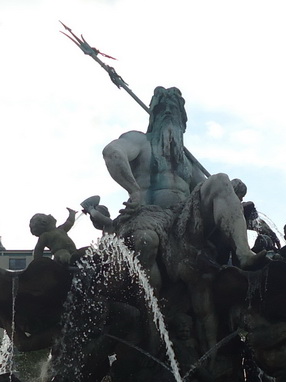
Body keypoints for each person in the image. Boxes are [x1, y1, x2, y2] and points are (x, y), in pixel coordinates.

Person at [101, 86, 261, 268]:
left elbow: (211, 194)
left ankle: (244, 253)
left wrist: (232, 191)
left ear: (183, 122)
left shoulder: (187, 162)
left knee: (220, 180)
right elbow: (112, 153)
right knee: (145, 240)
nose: (168, 112)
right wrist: (133, 190)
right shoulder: (140, 141)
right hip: (148, 216)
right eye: (162, 109)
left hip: (183, 221)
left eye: (174, 109)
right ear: (153, 117)